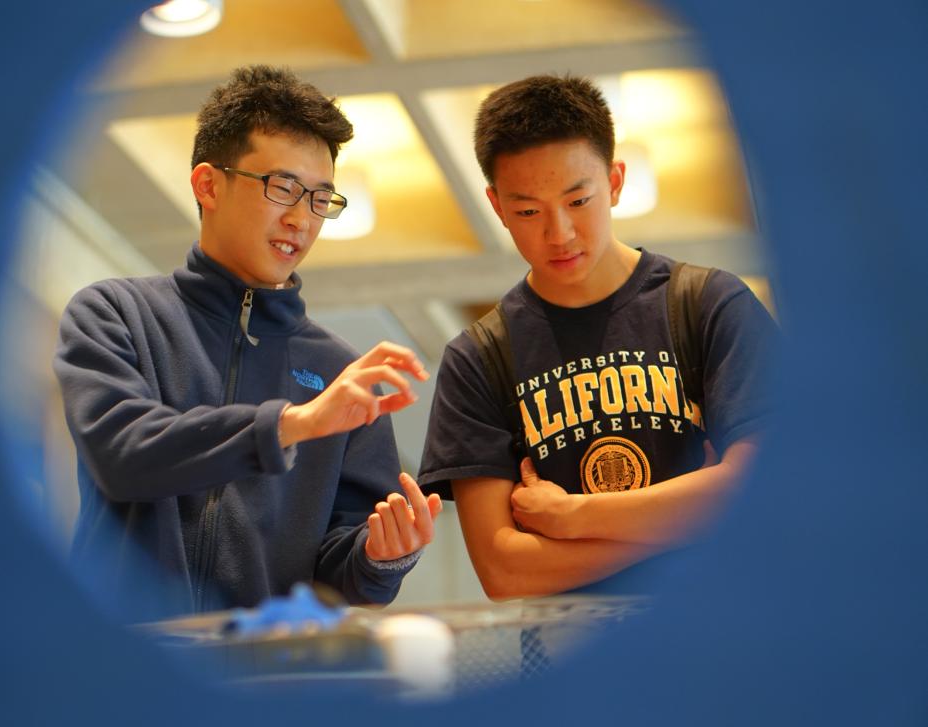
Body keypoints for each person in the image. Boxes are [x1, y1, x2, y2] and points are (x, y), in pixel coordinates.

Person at [54, 65, 442, 620]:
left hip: (265, 684)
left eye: (320, 199)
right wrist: (292, 424)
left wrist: (382, 558)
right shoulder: (116, 313)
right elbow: (122, 454)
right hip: (120, 667)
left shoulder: (340, 373)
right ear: (208, 185)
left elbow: (343, 575)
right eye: (282, 187)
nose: (300, 220)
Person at [417, 74, 777, 600]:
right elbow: (505, 572)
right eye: (527, 212)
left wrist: (571, 516)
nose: (558, 232)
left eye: (578, 201)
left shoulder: (708, 303)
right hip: (567, 656)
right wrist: (687, 522)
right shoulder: (479, 357)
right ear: (496, 207)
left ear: (614, 182)